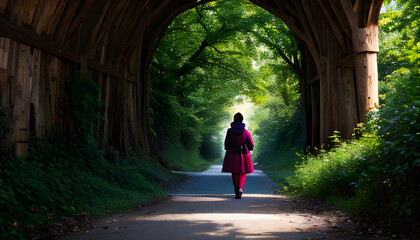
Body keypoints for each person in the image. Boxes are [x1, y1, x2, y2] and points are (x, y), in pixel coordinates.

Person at [222, 112, 254, 199]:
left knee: (234, 171)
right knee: (242, 172)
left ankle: (236, 188)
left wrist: (229, 147)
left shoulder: (229, 131)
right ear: (242, 120)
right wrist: (248, 148)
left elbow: (226, 144)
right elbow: (251, 145)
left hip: (232, 153)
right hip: (243, 154)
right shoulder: (246, 132)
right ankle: (240, 188)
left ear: (234, 120)